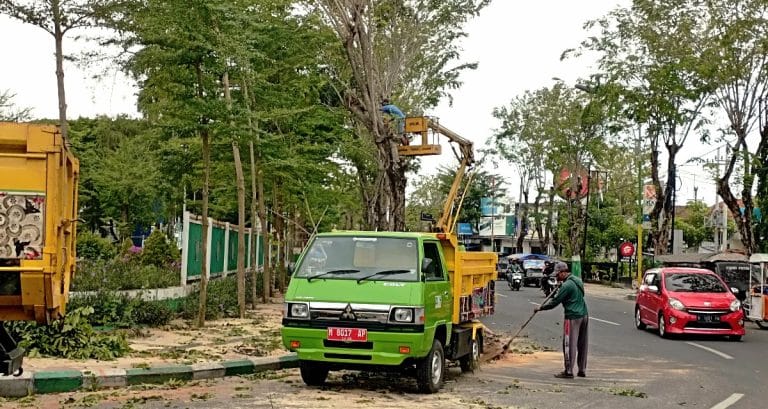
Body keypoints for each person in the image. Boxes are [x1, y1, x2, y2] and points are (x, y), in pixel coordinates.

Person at [534, 262, 589, 379]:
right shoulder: (577, 280)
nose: (556, 277)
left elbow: (555, 302)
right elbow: (581, 294)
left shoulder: (566, 286)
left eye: (558, 274)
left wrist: (541, 308)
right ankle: (582, 369)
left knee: (570, 344)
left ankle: (568, 371)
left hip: (572, 316)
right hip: (584, 314)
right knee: (582, 344)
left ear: (563, 272)